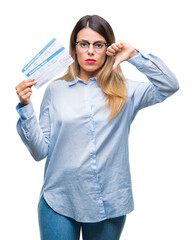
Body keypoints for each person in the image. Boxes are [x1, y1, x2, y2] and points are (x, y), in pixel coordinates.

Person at [15, 14, 179, 240]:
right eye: (84, 44)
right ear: (74, 49)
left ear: (108, 49)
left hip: (109, 201)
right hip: (59, 200)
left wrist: (133, 55)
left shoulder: (127, 91)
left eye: (98, 44)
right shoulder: (56, 91)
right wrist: (25, 107)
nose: (90, 51)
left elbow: (169, 85)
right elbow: (39, 151)